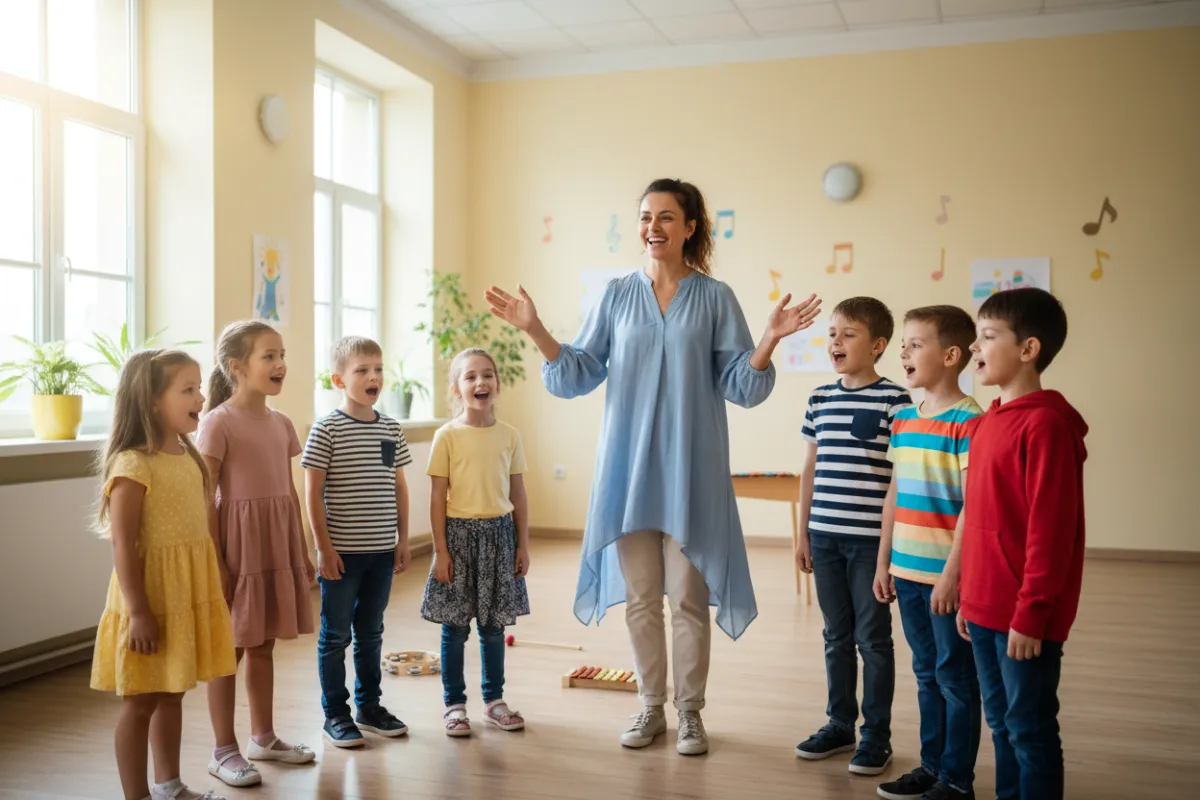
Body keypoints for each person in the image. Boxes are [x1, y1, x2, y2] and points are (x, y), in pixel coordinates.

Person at [486, 178, 821, 756]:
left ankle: (689, 713)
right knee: (642, 599)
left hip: (693, 467)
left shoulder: (715, 298)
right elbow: (579, 371)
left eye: (667, 217)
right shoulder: (617, 295)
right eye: (645, 217)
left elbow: (741, 385)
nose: (653, 227)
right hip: (628, 467)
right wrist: (535, 329)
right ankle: (650, 707)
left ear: (690, 227)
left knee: (687, 599)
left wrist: (767, 340)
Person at [956, 288, 1086, 800]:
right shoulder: (986, 422)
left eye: (988, 337)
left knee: (1029, 729)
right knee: (1002, 725)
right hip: (984, 608)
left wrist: (1031, 614)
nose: (974, 348)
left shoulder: (1046, 426)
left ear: (1028, 349)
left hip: (1023, 618)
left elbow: (1050, 534)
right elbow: (981, 522)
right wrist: (968, 595)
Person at [91, 349, 237, 800]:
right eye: (187, 389)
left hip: (185, 594)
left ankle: (169, 785)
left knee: (173, 692)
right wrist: (138, 611)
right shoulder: (133, 464)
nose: (201, 396)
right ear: (152, 400)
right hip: (150, 598)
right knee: (141, 703)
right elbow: (123, 544)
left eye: (200, 387)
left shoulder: (189, 456)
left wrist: (215, 569)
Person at [795, 297, 911, 776]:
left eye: (849, 334)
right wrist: (802, 533)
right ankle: (839, 724)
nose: (835, 342)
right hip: (823, 539)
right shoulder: (819, 398)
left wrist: (888, 554)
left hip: (869, 544)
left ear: (878, 345)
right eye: (832, 333)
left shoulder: (895, 400)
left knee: (873, 640)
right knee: (834, 636)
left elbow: (901, 480)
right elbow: (809, 468)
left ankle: (876, 736)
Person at [197, 321, 316, 788]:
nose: (280, 363)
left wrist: (301, 546)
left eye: (281, 354)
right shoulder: (218, 422)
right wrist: (217, 560)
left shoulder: (282, 423)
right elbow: (207, 497)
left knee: (262, 642)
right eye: (269, 355)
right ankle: (222, 750)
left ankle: (262, 737)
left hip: (275, 539)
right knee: (230, 650)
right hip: (238, 546)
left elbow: (286, 488)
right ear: (236, 367)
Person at [874, 306, 983, 800]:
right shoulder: (903, 419)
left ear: (951, 355)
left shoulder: (970, 421)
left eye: (915, 344)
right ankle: (931, 765)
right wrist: (884, 562)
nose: (904, 352)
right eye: (904, 344)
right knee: (925, 672)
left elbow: (972, 507)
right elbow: (894, 494)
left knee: (954, 677)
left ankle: (957, 780)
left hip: (946, 578)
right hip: (906, 570)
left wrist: (952, 577)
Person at [302, 336, 413, 748]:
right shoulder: (326, 428)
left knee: (371, 633)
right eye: (362, 370)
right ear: (338, 379)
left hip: (382, 552)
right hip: (342, 555)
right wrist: (323, 547)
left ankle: (370, 707)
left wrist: (402, 539)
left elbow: (398, 486)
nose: (373, 377)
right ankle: (335, 713)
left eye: (378, 369)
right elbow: (312, 493)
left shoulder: (390, 428)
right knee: (336, 636)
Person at [420, 348, 531, 737]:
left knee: (493, 627)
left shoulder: (510, 436)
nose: (480, 382)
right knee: (454, 628)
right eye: (470, 377)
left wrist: (522, 544)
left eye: (487, 375)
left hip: (500, 538)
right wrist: (440, 551)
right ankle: (454, 705)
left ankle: (494, 701)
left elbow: (518, 493)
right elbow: (437, 497)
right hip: (458, 538)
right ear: (456, 388)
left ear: (497, 384)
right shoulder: (446, 436)